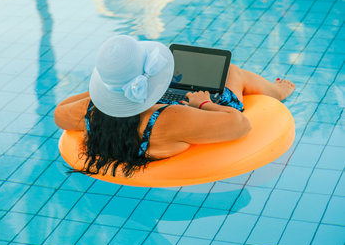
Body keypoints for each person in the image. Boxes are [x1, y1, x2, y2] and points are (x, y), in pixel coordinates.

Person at [54, 35, 295, 177]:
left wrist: (110, 90)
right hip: (186, 116)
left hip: (133, 122)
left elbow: (59, 112)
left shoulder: (89, 112)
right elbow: (240, 125)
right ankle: (278, 91)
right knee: (232, 72)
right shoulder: (173, 118)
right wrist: (203, 103)